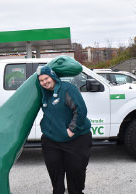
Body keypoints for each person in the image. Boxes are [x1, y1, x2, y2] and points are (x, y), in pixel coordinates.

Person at [37, 66, 92, 194]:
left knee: (76, 172)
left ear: (53, 77)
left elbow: (81, 110)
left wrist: (71, 130)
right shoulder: (44, 93)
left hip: (76, 139)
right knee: (55, 173)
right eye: (41, 80)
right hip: (51, 141)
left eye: (46, 78)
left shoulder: (67, 89)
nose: (44, 82)